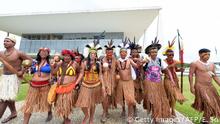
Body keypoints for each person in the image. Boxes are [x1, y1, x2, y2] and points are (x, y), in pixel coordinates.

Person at [0, 36, 32, 123]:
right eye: (4, 41)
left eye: (7, 41)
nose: (5, 42)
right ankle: (13, 113)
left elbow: (30, 60)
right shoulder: (1, 53)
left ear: (13, 43)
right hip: (4, 77)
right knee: (9, 97)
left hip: (14, 77)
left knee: (4, 99)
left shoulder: (19, 53)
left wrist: (23, 70)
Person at [143, 37, 173, 122]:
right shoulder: (146, 60)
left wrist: (172, 80)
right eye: (152, 52)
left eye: (155, 52)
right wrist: (142, 62)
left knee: (159, 100)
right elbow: (140, 67)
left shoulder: (160, 61)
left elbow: (166, 70)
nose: (154, 53)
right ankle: (154, 115)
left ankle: (157, 116)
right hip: (149, 83)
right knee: (152, 99)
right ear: (149, 52)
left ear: (157, 52)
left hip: (158, 83)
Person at [75, 40, 104, 124]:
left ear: (96, 55)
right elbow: (81, 74)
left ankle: (91, 119)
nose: (93, 55)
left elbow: (100, 75)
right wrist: (76, 82)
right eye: (91, 54)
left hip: (96, 85)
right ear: (89, 54)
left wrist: (103, 86)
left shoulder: (98, 64)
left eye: (94, 54)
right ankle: (86, 115)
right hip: (85, 85)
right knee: (82, 103)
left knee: (92, 103)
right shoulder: (84, 63)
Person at [189, 48, 220, 124]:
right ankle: (207, 121)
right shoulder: (195, 63)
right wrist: (191, 87)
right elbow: (190, 75)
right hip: (200, 86)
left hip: (210, 87)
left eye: (209, 54)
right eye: (205, 54)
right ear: (199, 54)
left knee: (214, 103)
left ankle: (205, 120)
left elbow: (214, 76)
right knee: (208, 103)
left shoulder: (212, 64)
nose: (207, 56)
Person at [22, 47, 52, 124]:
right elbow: (29, 72)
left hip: (46, 85)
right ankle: (25, 122)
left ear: (48, 54)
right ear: (39, 53)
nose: (43, 53)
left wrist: (53, 78)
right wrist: (25, 68)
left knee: (48, 101)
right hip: (34, 86)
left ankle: (49, 111)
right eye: (41, 52)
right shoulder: (34, 62)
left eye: (45, 52)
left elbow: (55, 73)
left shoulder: (51, 62)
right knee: (29, 104)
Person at [52, 49, 80, 124]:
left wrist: (76, 83)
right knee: (61, 104)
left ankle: (66, 119)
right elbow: (54, 73)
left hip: (70, 86)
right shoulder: (60, 64)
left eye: (68, 56)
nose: (66, 57)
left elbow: (79, 73)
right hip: (61, 87)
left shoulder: (75, 64)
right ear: (63, 56)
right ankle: (65, 119)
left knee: (67, 104)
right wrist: (52, 66)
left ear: (71, 57)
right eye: (65, 56)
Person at [116, 40, 138, 123]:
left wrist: (140, 62)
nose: (123, 54)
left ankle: (130, 115)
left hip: (129, 82)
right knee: (122, 98)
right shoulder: (117, 61)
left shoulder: (129, 60)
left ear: (126, 53)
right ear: (120, 53)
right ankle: (123, 110)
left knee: (130, 99)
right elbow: (114, 69)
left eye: (125, 52)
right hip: (121, 82)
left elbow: (136, 66)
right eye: (121, 52)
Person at [163, 40, 186, 117]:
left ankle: (172, 109)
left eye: (172, 55)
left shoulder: (174, 61)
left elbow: (175, 69)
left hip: (175, 79)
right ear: (166, 55)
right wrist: (172, 65)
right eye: (169, 55)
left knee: (174, 96)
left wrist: (180, 70)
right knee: (170, 95)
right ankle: (169, 109)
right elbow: (163, 70)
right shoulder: (164, 61)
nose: (171, 56)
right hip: (167, 79)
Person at [100, 40, 117, 122]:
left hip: (113, 81)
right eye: (108, 52)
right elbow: (99, 72)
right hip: (104, 80)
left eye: (111, 52)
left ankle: (107, 111)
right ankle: (104, 113)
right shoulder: (102, 60)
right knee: (104, 97)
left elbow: (118, 69)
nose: (109, 54)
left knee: (109, 97)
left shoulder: (115, 60)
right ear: (105, 52)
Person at [128, 38, 144, 117]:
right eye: (133, 51)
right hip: (131, 80)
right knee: (132, 95)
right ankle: (134, 109)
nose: (134, 52)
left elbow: (142, 68)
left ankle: (135, 106)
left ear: (138, 51)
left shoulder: (141, 58)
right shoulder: (129, 59)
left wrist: (142, 75)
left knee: (138, 95)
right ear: (131, 52)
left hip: (138, 79)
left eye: (135, 51)